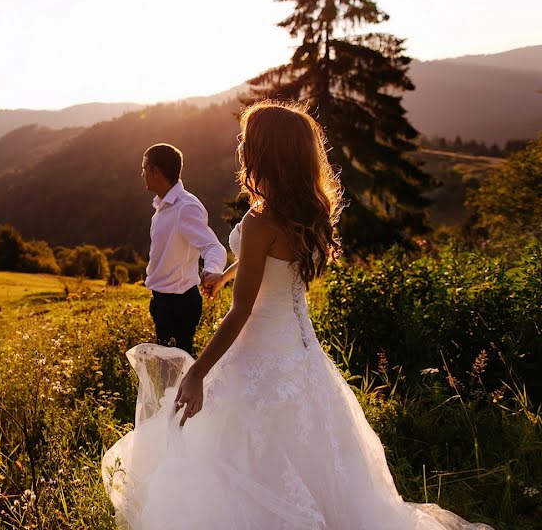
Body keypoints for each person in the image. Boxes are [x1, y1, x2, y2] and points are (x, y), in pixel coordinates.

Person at [103, 102, 493, 529]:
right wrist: (228, 273)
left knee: (222, 444)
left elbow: (241, 312)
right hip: (300, 346)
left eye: (246, 140)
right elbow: (275, 264)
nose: (240, 146)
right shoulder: (307, 211)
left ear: (266, 152)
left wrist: (198, 373)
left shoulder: (259, 219)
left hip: (258, 346)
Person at [141, 143, 227, 357]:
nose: (141, 173)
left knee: (174, 373)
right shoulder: (163, 205)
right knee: (168, 371)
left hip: (177, 305)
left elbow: (212, 245)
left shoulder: (185, 207)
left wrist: (212, 270)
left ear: (156, 172)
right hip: (163, 302)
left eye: (144, 168)